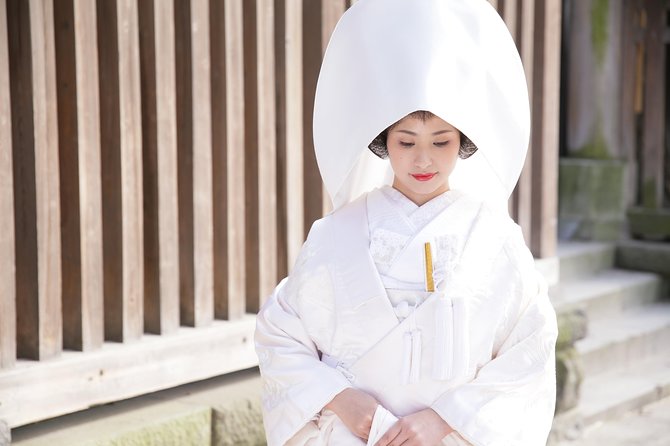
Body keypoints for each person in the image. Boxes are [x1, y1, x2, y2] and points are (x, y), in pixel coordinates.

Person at [255, 0, 558, 445]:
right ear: (382, 142)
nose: (423, 159)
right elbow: (280, 334)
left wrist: (446, 418)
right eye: (405, 140)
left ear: (463, 143)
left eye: (441, 141)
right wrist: (339, 397)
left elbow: (528, 348)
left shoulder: (494, 239)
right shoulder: (337, 235)